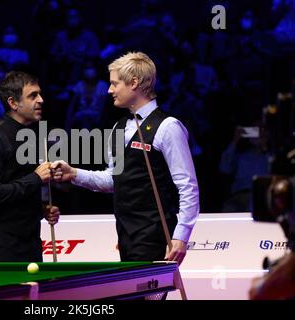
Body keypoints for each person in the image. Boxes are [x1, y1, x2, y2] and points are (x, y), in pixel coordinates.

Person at [52, 52, 199, 265]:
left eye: (114, 83)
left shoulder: (168, 127)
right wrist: (74, 174)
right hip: (125, 234)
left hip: (156, 235)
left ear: (134, 83)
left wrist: (181, 237)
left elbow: (188, 187)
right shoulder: (117, 128)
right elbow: (114, 180)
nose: (109, 90)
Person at [0, 71, 60, 262]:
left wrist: (41, 209)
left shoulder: (31, 137)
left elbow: (18, 187)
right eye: (33, 95)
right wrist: (35, 178)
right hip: (0, 244)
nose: (41, 100)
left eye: (40, 94)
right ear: (13, 103)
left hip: (30, 241)